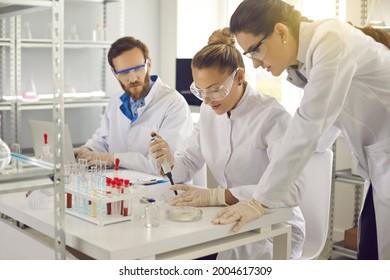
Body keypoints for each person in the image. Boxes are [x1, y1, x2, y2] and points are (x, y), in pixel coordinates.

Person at [228, 0, 390, 260]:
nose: (256, 65)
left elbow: (310, 124)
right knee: (372, 250)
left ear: (280, 32)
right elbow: (319, 131)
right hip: (380, 164)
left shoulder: (331, 42)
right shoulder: (307, 61)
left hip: (385, 159)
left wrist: (259, 201)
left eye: (256, 51)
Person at [148, 28, 305, 260]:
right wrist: (168, 159)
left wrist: (218, 196)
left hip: (273, 227)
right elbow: (187, 163)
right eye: (200, 91)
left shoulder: (272, 117)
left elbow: (291, 190)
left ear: (240, 77)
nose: (207, 100)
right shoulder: (208, 110)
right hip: (224, 222)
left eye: (214, 90)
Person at [74, 36, 193, 174]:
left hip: (164, 190)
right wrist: (86, 150)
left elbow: (167, 164)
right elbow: (103, 140)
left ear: (148, 65)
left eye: (137, 69)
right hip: (124, 188)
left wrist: (113, 158)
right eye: (124, 72)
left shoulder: (173, 103)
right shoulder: (116, 101)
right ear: (114, 73)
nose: (132, 78)